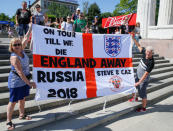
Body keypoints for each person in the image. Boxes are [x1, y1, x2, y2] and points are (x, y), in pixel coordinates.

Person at [6, 23, 36, 130]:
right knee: (13, 101)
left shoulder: (22, 50)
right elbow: (20, 73)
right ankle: (9, 121)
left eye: (19, 44)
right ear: (12, 47)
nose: (18, 46)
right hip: (16, 81)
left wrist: (31, 27)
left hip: (24, 80)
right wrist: (30, 83)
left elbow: (27, 37)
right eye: (15, 45)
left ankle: (22, 115)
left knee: (22, 99)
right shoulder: (14, 57)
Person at [129, 36, 155, 112]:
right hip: (137, 75)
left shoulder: (151, 62)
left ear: (152, 53)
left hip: (143, 80)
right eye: (147, 52)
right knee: (132, 86)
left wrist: (139, 82)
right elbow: (138, 46)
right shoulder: (145, 53)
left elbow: (146, 74)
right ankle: (134, 97)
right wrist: (133, 38)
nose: (147, 54)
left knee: (142, 94)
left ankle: (143, 108)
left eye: (149, 53)